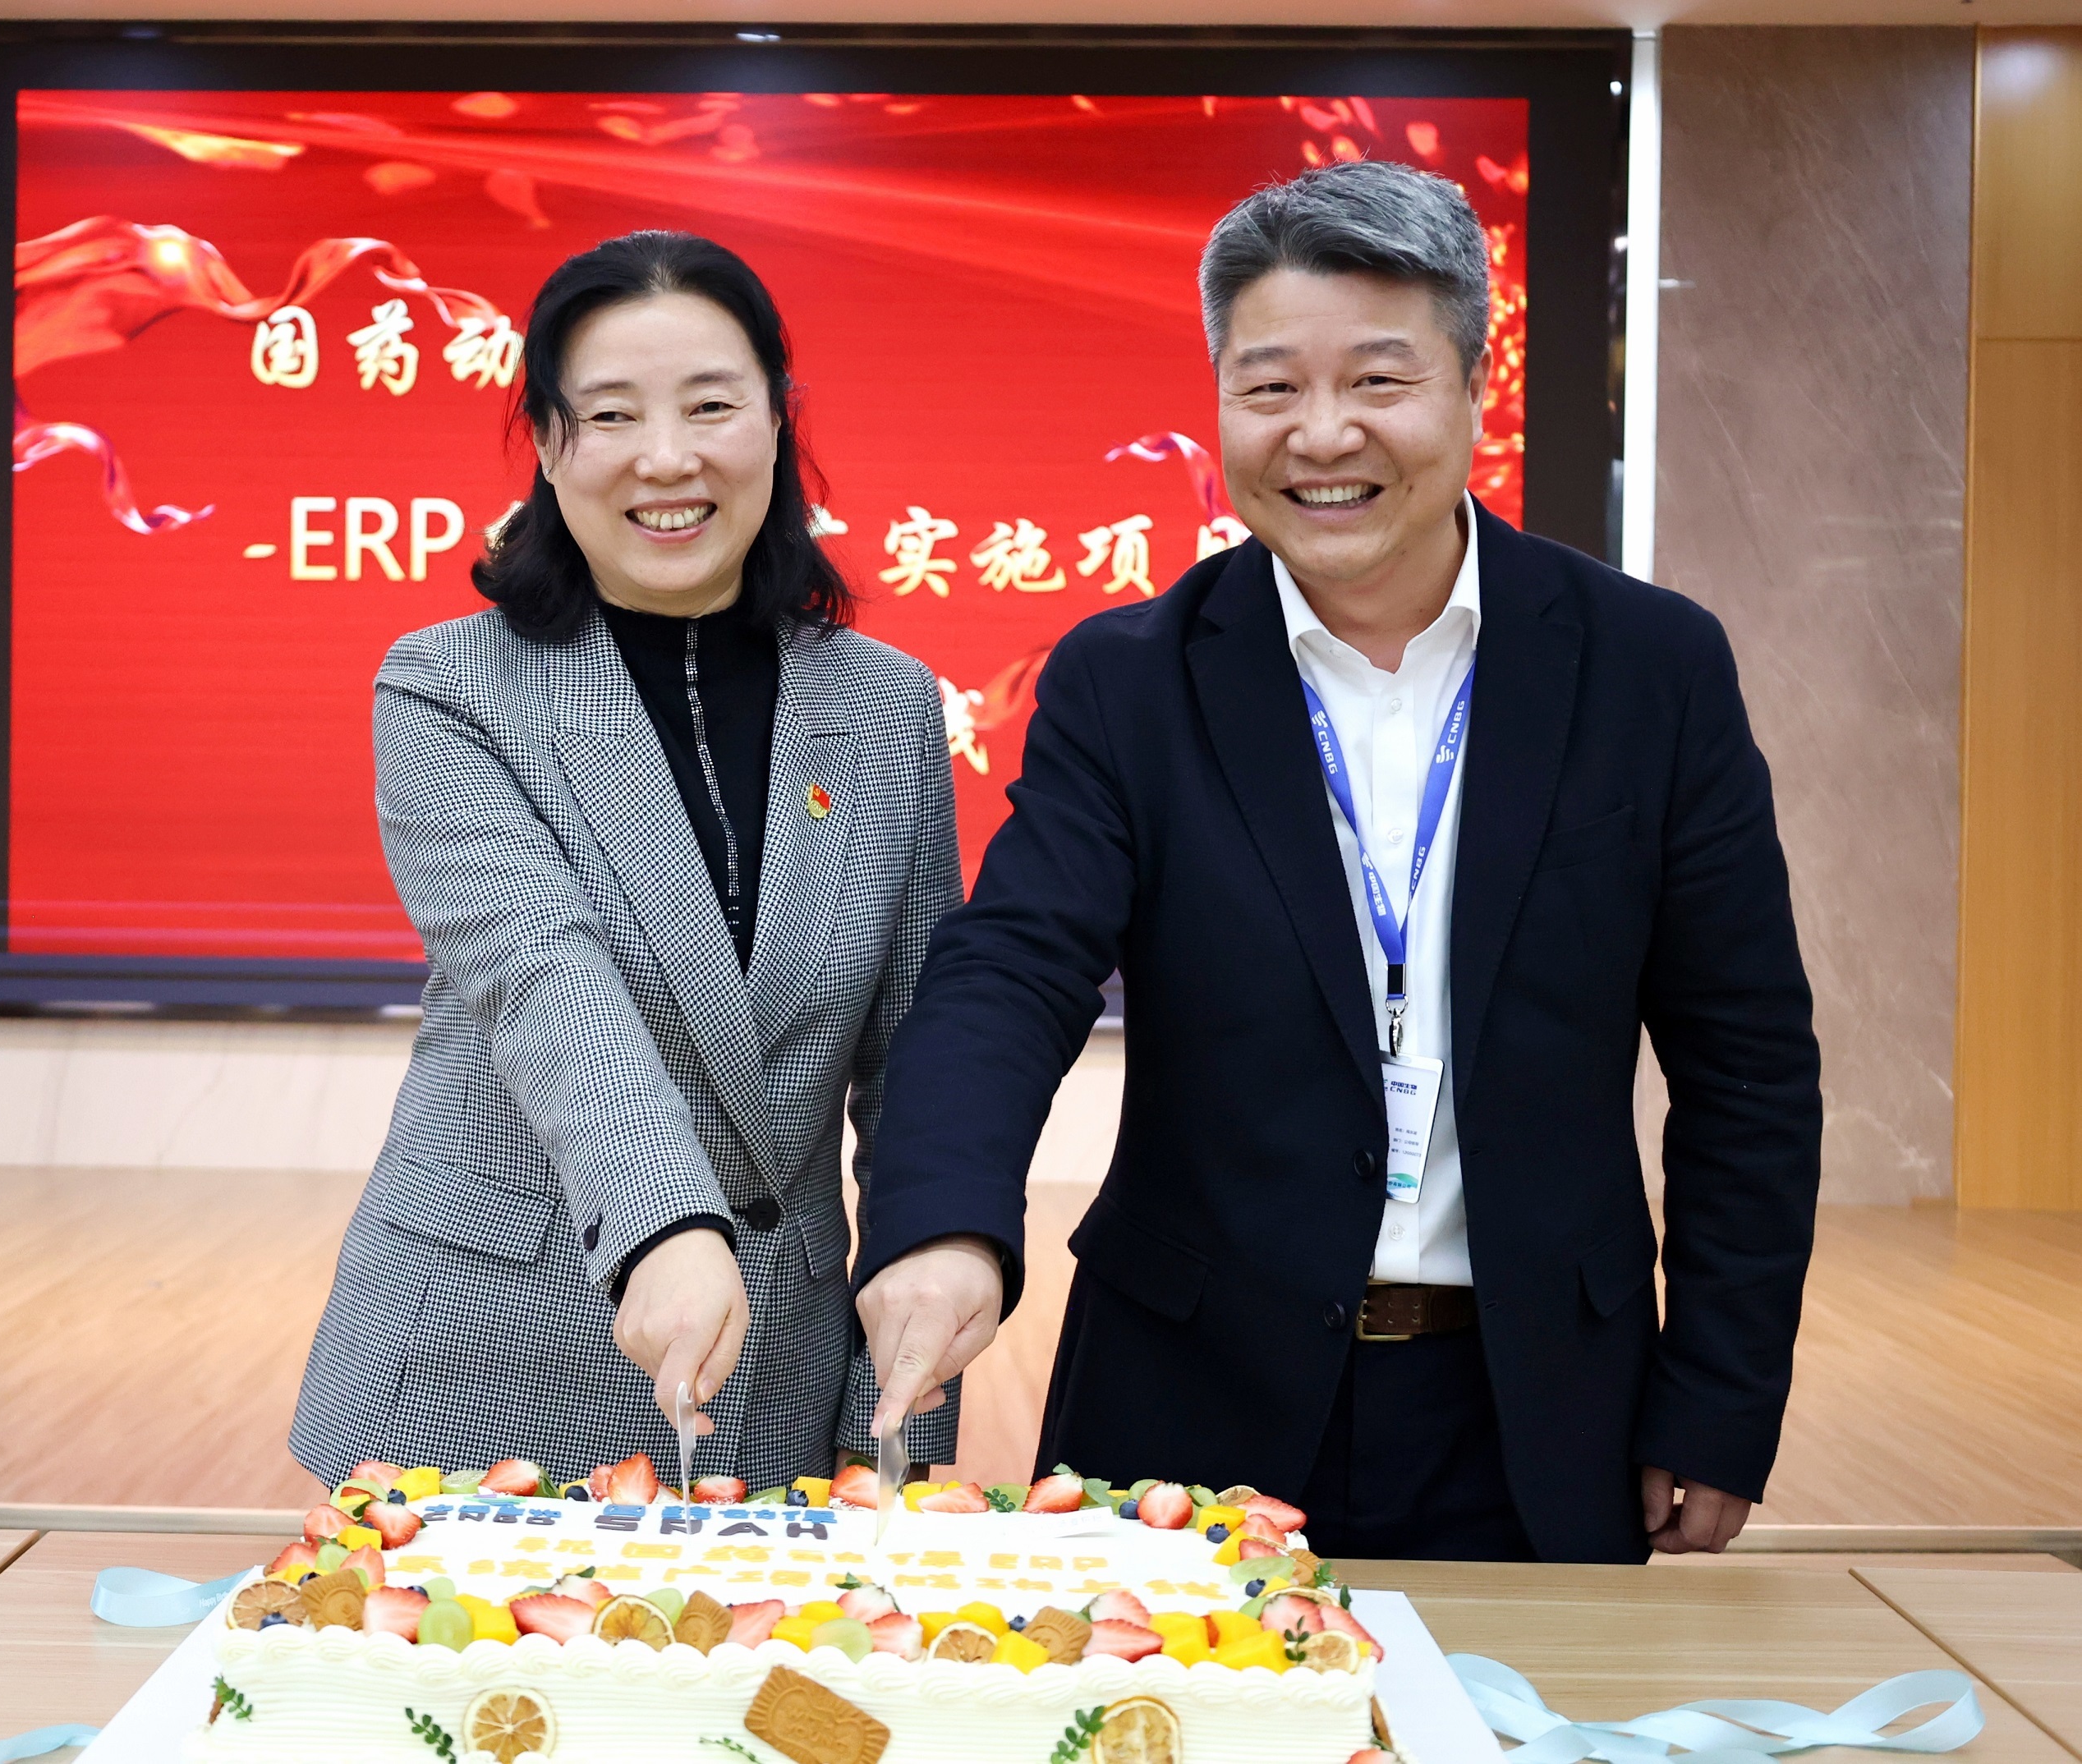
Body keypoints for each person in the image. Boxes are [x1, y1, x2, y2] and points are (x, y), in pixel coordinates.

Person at [853, 162, 1821, 1564]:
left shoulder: (1647, 667)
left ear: (1472, 388)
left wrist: (1721, 1394)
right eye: (1269, 387)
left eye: (1377, 380)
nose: (1320, 434)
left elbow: (1746, 1062)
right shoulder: (1129, 681)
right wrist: (940, 1225)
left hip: (1539, 1408)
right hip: (1188, 1397)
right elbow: (1008, 970)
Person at [292, 232, 962, 1493]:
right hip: (484, 1365)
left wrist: (898, 1423)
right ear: (549, 447)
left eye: (710, 405)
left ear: (777, 421)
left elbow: (912, 1077)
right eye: (610, 414)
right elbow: (544, 980)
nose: (666, 458)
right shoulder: (447, 687)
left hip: (773, 1373)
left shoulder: (886, 708)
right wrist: (663, 1221)